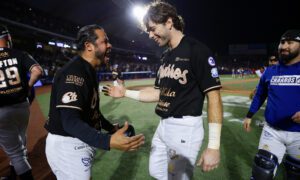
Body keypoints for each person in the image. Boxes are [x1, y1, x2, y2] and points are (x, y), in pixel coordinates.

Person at [103, 2, 223, 179]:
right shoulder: (166, 56)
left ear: (168, 22)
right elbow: (157, 93)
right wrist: (125, 92)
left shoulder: (196, 50)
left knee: (177, 176)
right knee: (156, 171)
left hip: (184, 129)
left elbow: (214, 97)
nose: (150, 35)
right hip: (163, 126)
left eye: (152, 29)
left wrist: (213, 146)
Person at [44, 24, 145, 180]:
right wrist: (108, 140)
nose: (110, 45)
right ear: (89, 46)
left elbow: (92, 111)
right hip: (68, 144)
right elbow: (70, 122)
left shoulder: (88, 70)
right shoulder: (74, 74)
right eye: (105, 41)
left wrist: (109, 127)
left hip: (78, 140)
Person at [243, 29, 300, 179]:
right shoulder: (270, 72)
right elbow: (260, 95)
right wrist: (249, 115)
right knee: (261, 170)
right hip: (272, 131)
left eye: (290, 42)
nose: (284, 46)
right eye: (282, 42)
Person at [0, 25, 43, 179]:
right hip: (22, 106)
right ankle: (12, 176)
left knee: (16, 154)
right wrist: (28, 86)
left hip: (2, 110)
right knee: (20, 141)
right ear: (7, 38)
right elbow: (37, 71)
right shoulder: (19, 53)